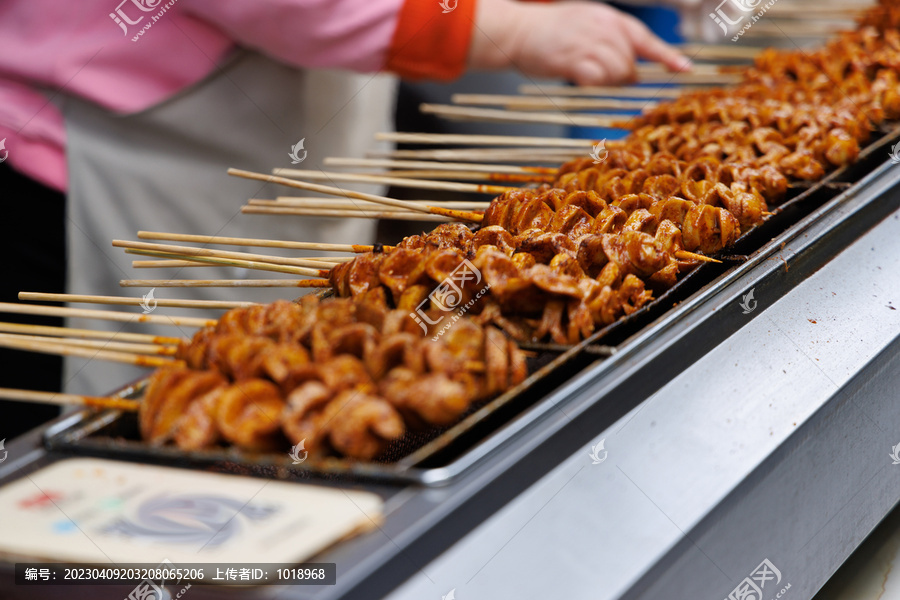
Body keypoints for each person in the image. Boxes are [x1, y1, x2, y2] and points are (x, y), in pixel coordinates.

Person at [0, 0, 689, 423]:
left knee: (282, 359)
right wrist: (503, 28)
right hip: (92, 167)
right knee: (135, 429)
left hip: (253, 131)